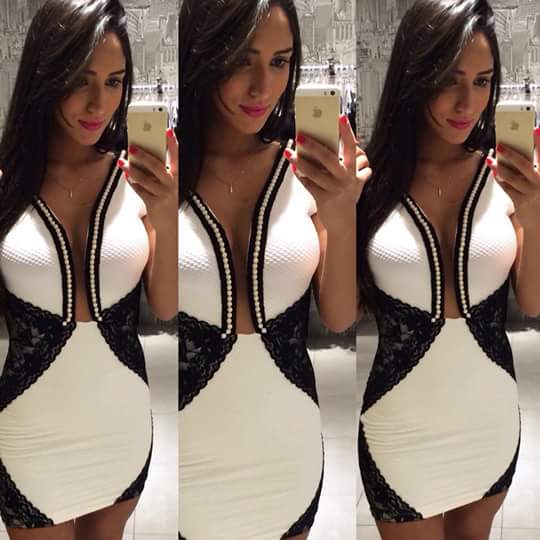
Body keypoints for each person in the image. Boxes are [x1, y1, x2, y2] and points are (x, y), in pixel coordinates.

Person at [179, 0, 370, 538]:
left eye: (280, 61)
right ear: (203, 55)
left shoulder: (305, 172)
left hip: (289, 449)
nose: (263, 87)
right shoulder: (165, 174)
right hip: (190, 459)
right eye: (241, 59)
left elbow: (339, 316)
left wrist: (341, 215)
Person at [356, 0, 540, 538]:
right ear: (416, 75)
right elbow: (342, 311)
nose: (468, 103)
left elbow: (531, 302)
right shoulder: (371, 181)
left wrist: (534, 215)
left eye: (482, 82)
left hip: (489, 422)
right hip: (399, 429)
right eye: (449, 79)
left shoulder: (506, 178)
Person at [0, 1, 178, 538]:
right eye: (80, 79)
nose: (99, 103)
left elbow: (166, 304)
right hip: (31, 432)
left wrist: (167, 214)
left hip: (120, 426)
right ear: (46, 75)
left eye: (114, 81)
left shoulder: (139, 180)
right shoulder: (8, 184)